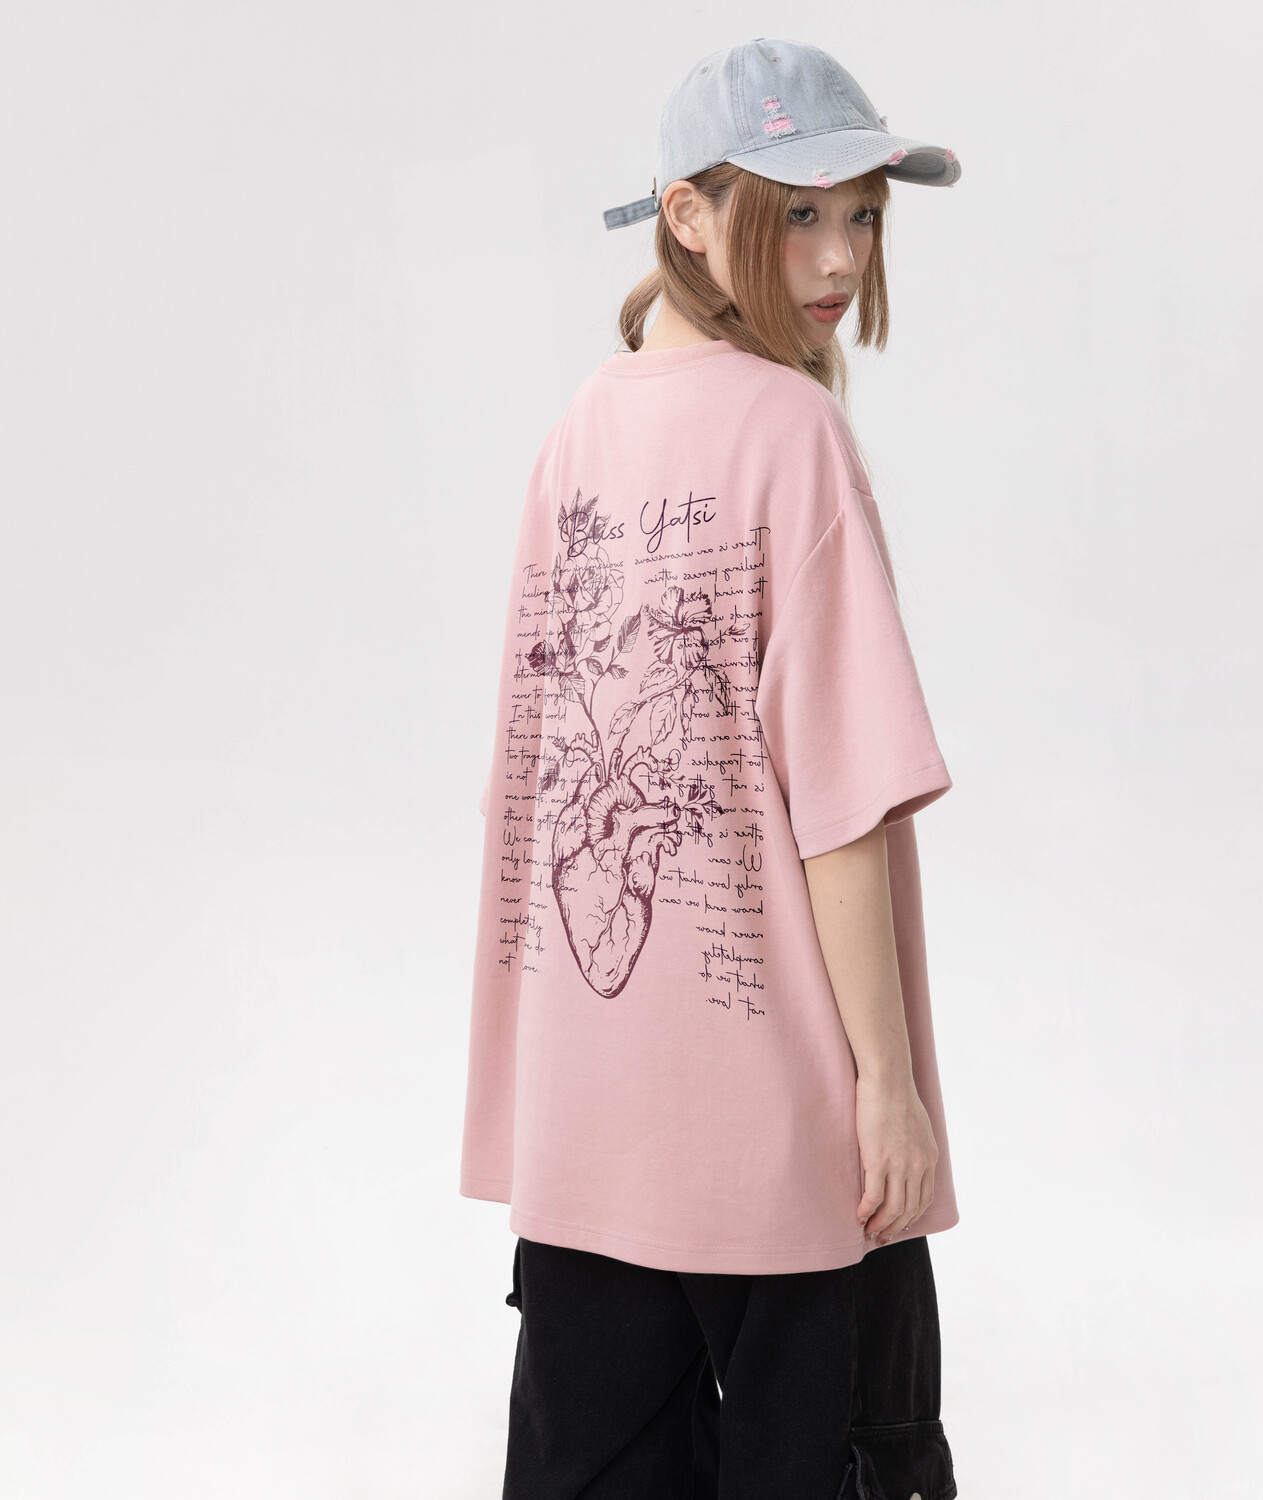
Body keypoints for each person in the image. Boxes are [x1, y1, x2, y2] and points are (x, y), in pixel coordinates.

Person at [460, 36, 964, 1500]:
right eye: (798, 213)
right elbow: (840, 801)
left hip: (587, 1129)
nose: (840, 257)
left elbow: (533, 777)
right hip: (782, 1132)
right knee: (843, 1463)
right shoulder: (794, 433)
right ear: (687, 215)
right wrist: (887, 1086)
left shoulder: (577, 431)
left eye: (861, 214)